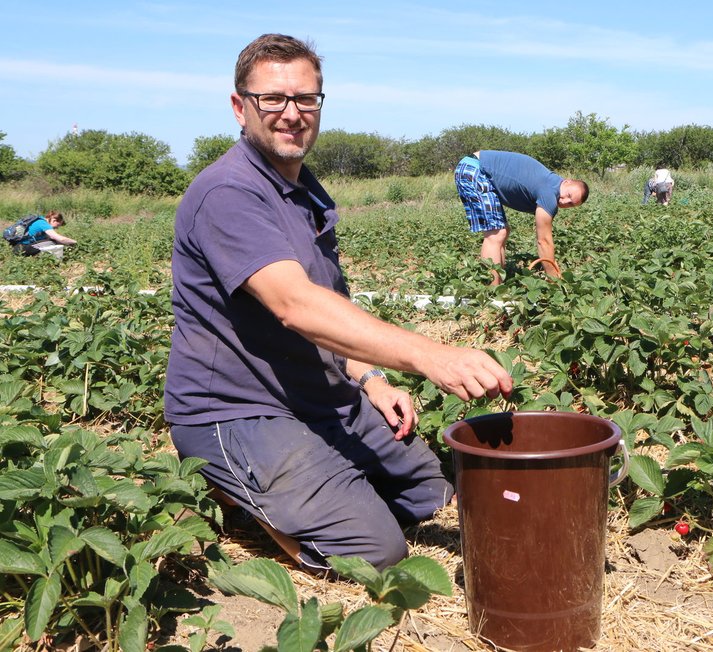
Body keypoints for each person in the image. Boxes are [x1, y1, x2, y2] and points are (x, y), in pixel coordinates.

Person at [163, 33, 513, 573]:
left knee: (430, 494)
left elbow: (328, 302)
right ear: (240, 106)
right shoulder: (227, 192)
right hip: (237, 410)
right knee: (376, 549)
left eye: (306, 99)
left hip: (315, 396)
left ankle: (314, 484)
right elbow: (295, 305)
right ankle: (237, 493)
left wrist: (370, 377)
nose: (291, 113)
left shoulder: (304, 190)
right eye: (272, 99)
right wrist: (431, 357)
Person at [454, 150, 589, 285]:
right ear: (567, 182)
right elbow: (544, 241)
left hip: (475, 167)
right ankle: (491, 291)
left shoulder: (551, 184)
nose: (564, 202)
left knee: (503, 231)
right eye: (569, 195)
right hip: (474, 169)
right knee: (495, 234)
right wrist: (554, 280)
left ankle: (497, 283)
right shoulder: (549, 193)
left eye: (570, 204)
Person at [8, 211, 77, 256]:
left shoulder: (40, 221)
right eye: (58, 225)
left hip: (17, 247)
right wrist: (75, 242)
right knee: (52, 242)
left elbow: (50, 238)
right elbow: (60, 239)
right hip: (21, 248)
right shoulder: (43, 223)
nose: (57, 228)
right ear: (54, 220)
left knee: (51, 241)